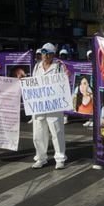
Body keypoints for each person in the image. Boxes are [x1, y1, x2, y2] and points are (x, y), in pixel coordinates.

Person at [30, 42, 67, 170]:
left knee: (56, 132)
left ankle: (60, 158)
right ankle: (40, 158)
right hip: (39, 106)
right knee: (38, 133)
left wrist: (66, 77)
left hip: (53, 106)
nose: (44, 56)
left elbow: (63, 84)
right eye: (42, 53)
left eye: (47, 53)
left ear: (52, 55)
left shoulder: (58, 67)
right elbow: (33, 84)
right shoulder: (36, 67)